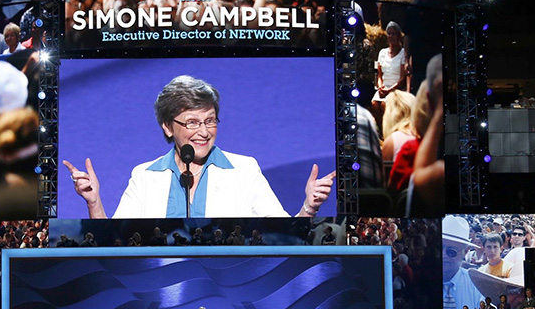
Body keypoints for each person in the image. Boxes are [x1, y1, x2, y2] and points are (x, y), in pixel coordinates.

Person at [63, 75, 334, 218]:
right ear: (168, 127)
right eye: (192, 122)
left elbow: (282, 237)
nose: (204, 132)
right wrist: (94, 203)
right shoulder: (144, 176)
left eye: (210, 120)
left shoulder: (244, 169)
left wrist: (308, 208)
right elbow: (114, 244)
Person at [442, 216, 481, 309]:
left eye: (451, 251)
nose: (443, 255)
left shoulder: (477, 285)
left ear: (466, 251)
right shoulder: (421, 280)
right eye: (439, 248)